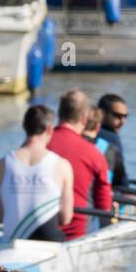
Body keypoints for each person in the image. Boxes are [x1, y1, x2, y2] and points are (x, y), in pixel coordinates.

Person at [0, 103, 74, 242]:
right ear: (50, 129)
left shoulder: (1, 164)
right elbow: (66, 218)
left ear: (25, 127)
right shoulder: (62, 165)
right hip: (49, 243)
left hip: (13, 243)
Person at [49, 89, 113, 239]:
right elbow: (104, 207)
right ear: (85, 118)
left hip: (35, 230)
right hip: (74, 234)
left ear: (59, 114)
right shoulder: (94, 153)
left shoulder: (38, 144)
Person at [96, 93, 130, 189]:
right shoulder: (112, 138)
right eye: (117, 116)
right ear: (101, 114)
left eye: (125, 116)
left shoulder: (84, 131)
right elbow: (121, 178)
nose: (123, 121)